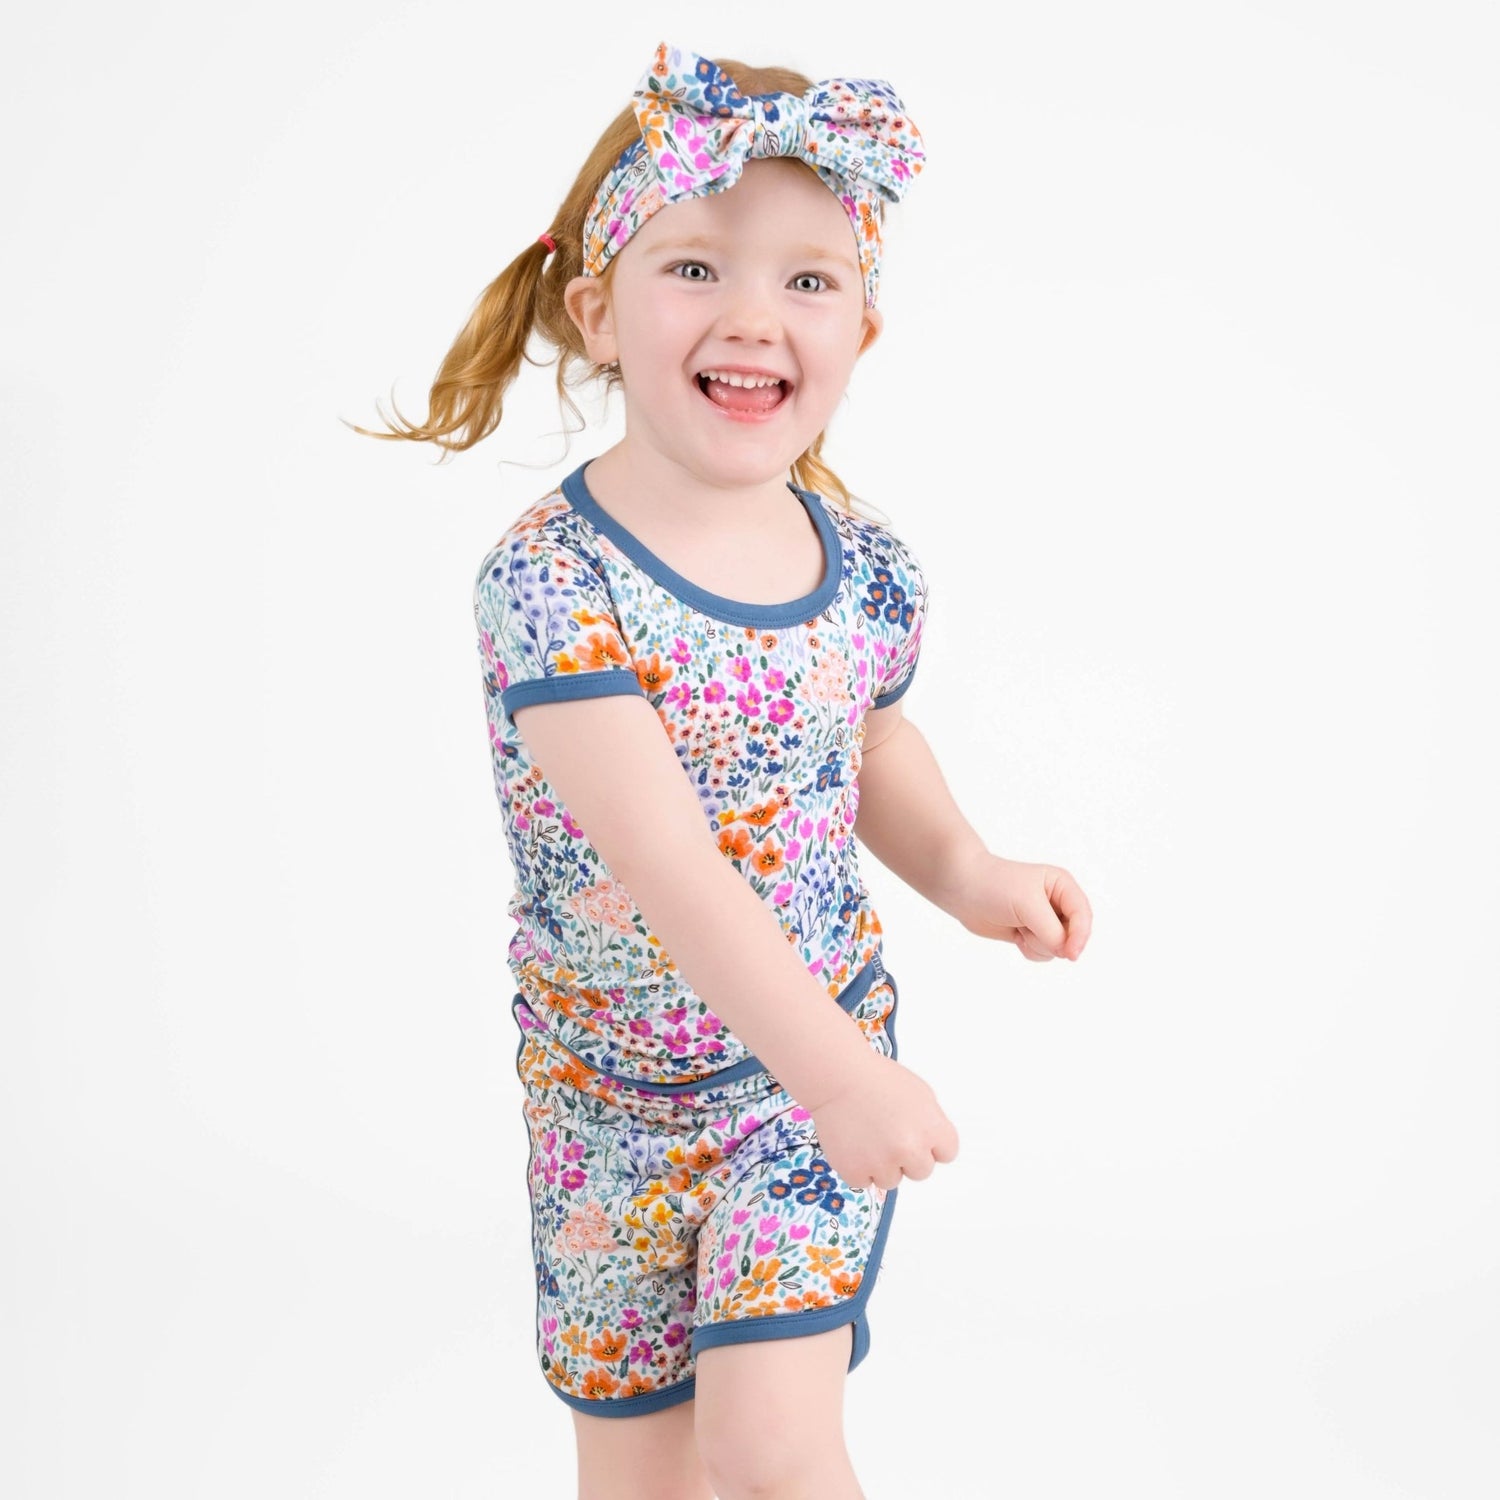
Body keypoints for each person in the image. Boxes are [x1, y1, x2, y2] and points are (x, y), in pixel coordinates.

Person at [353, 42, 1092, 1500]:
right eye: (695, 267)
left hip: (796, 1082)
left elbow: (869, 740)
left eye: (808, 281)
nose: (754, 315)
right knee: (638, 1480)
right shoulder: (554, 583)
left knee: (768, 1451)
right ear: (599, 313)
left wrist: (964, 873)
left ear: (861, 333)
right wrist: (842, 1077)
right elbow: (668, 866)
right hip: (602, 1106)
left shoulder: (867, 567)